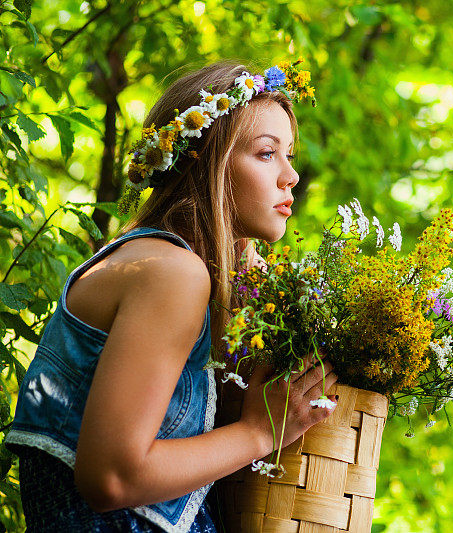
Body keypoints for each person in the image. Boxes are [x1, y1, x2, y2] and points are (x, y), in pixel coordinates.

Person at [5, 60, 336, 532]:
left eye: (290, 155)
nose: (291, 177)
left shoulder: (175, 268)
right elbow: (112, 478)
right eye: (267, 153)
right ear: (208, 161)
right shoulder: (170, 272)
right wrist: (260, 431)